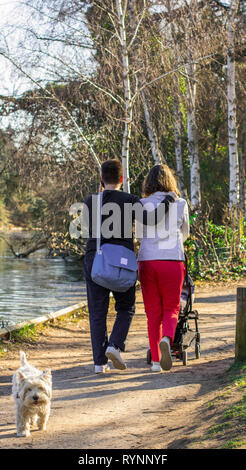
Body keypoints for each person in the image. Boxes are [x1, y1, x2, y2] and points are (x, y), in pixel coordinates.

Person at [83, 158, 169, 374]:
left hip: (96, 260)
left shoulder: (90, 201)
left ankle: (99, 363)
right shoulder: (130, 200)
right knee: (126, 307)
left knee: (97, 312)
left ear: (102, 179)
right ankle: (115, 344)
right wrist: (167, 202)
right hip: (122, 262)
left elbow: (86, 228)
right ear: (122, 179)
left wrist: (98, 198)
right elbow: (151, 220)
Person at [137, 164, 190, 372]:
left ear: (148, 182)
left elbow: (140, 236)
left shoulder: (142, 203)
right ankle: (167, 339)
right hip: (172, 260)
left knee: (152, 313)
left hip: (148, 261)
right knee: (172, 307)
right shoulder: (181, 203)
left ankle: (156, 363)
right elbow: (185, 232)